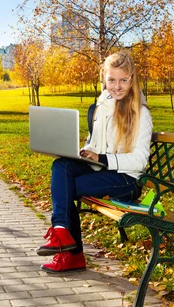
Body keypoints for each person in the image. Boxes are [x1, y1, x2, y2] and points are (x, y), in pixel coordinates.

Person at [37, 50, 153, 273]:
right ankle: (61, 230)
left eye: (123, 80)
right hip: (102, 168)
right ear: (104, 80)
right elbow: (94, 143)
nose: (116, 86)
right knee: (61, 166)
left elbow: (139, 161)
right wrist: (84, 152)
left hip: (127, 180)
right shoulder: (102, 107)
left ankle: (72, 255)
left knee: (66, 188)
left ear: (132, 80)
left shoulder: (141, 114)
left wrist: (101, 158)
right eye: (111, 80)